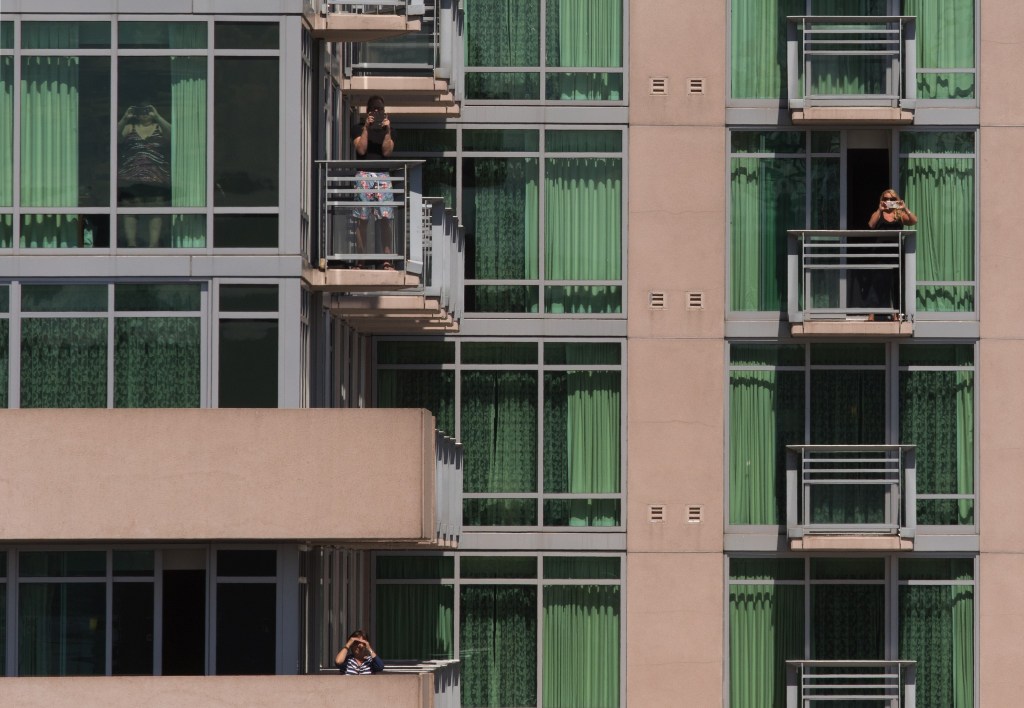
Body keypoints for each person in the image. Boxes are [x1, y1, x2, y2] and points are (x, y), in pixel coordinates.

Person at [117, 102, 172, 247]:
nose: (144, 114)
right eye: (141, 111)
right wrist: (125, 118)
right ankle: (131, 244)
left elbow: (174, 135)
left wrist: (158, 116)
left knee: (155, 210)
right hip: (130, 178)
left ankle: (153, 245)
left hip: (157, 177)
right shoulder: (129, 128)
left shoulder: (160, 127)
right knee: (130, 210)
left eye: (147, 111)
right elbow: (113, 137)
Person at [351, 96, 396, 269]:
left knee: (385, 219)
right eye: (374, 110)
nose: (377, 113)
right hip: (364, 175)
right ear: (368, 111)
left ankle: (386, 259)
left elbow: (387, 152)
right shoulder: (357, 128)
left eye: (380, 110)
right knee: (362, 219)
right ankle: (360, 259)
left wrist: (388, 131)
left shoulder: (389, 130)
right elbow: (361, 149)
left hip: (383, 176)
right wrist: (366, 128)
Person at [859, 189, 918, 319]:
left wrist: (905, 208)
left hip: (896, 253)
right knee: (877, 282)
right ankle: (872, 313)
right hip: (880, 253)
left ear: (896, 200)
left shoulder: (899, 214)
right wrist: (880, 209)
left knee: (896, 282)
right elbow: (871, 224)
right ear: (882, 200)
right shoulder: (879, 214)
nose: (889, 201)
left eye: (892, 199)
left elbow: (914, 221)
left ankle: (896, 313)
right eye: (886, 199)